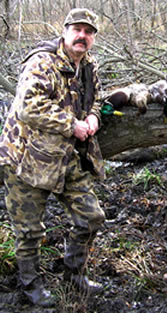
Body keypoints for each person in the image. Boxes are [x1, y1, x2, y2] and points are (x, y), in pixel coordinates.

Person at [0, 8, 106, 307]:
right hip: (25, 158)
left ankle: (74, 274)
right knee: (29, 230)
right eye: (77, 29)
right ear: (65, 31)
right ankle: (30, 284)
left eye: (88, 32)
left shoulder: (88, 65)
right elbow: (28, 107)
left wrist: (95, 117)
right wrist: (72, 124)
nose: (82, 36)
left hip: (64, 156)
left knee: (91, 217)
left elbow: (97, 97)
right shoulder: (42, 61)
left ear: (93, 38)